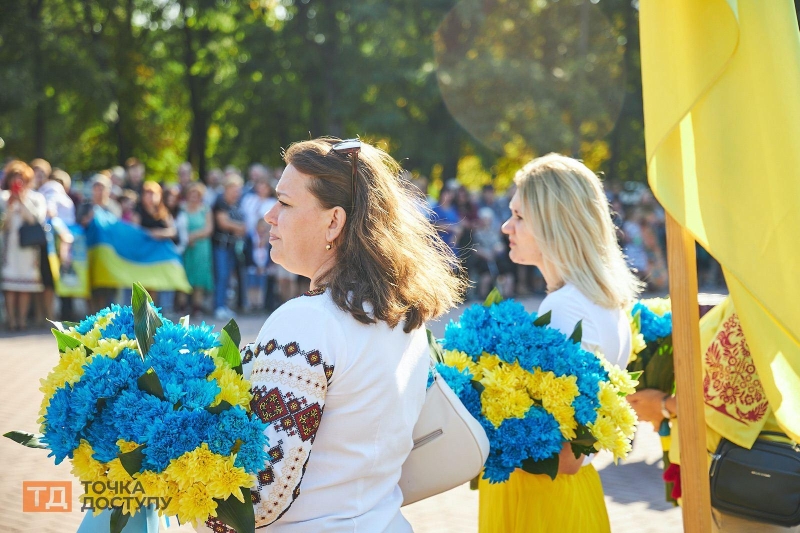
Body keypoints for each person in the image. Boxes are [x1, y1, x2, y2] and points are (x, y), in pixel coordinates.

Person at [201, 137, 464, 532]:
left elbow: (261, 490)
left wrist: (192, 502)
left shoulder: (307, 321)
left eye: (285, 203)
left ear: (334, 221)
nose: (270, 216)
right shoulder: (401, 315)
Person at [478, 153, 643, 533]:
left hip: (542, 503)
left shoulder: (567, 307)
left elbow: (565, 454)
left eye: (519, 216)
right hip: (567, 494)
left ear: (555, 224)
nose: (506, 227)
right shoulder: (598, 300)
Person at [628, 296, 799, 533]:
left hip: (746, 488)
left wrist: (662, 404)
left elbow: (723, 406)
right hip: (737, 479)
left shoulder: (759, 301)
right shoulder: (751, 295)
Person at [0, 160, 47, 331]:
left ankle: (22, 320)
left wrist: (22, 200)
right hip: (9, 248)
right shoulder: (3, 198)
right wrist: (10, 207)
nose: (17, 181)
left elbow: (36, 220)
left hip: (28, 248)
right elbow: (3, 226)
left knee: (25, 287)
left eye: (21, 177)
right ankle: (11, 320)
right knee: (10, 286)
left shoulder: (36, 198)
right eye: (14, 177)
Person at [211, 173, 246, 319]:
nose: (237, 193)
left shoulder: (235, 204)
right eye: (234, 190)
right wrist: (239, 227)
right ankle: (218, 306)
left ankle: (224, 306)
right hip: (220, 247)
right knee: (221, 275)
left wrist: (238, 228)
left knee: (228, 278)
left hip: (232, 247)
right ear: (227, 188)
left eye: (238, 190)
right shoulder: (220, 202)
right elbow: (223, 223)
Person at [180, 182, 214, 315]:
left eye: (197, 194)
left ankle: (196, 307)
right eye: (191, 194)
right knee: (184, 275)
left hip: (201, 247)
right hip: (185, 246)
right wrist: (185, 238)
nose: (194, 197)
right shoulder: (181, 208)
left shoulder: (205, 209)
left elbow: (208, 229)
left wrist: (193, 236)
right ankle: (182, 306)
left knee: (199, 276)